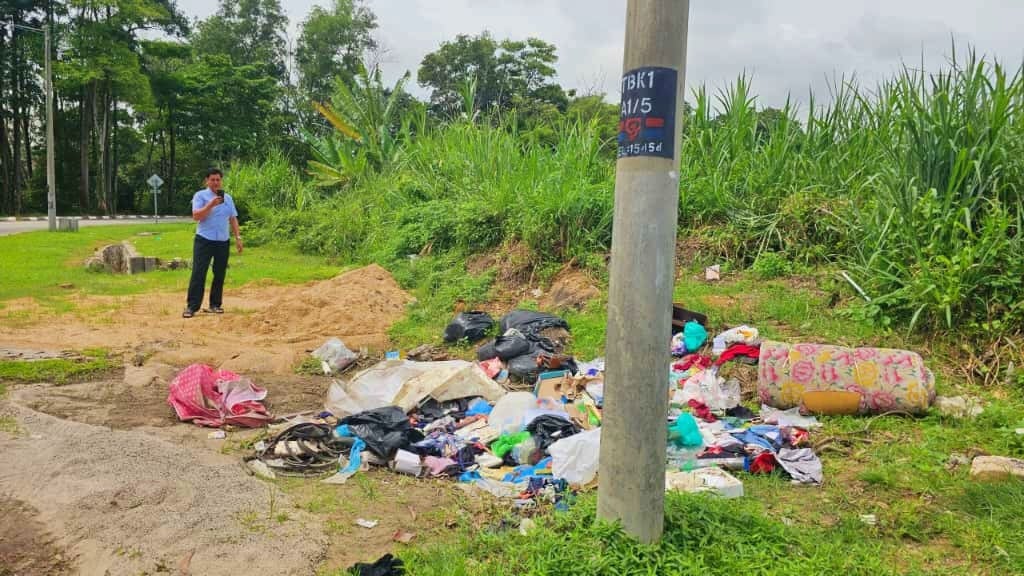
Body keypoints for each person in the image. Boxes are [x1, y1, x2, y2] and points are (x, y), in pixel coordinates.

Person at [183, 168, 242, 318]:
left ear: (221, 181)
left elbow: (233, 218)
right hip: (204, 240)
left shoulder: (228, 198)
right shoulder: (200, 196)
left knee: (219, 273)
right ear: (207, 181)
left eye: (218, 180)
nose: (216, 182)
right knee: (199, 272)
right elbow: (196, 216)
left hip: (222, 241)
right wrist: (211, 205)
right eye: (212, 180)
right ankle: (192, 307)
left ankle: (215, 304)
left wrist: (238, 238)